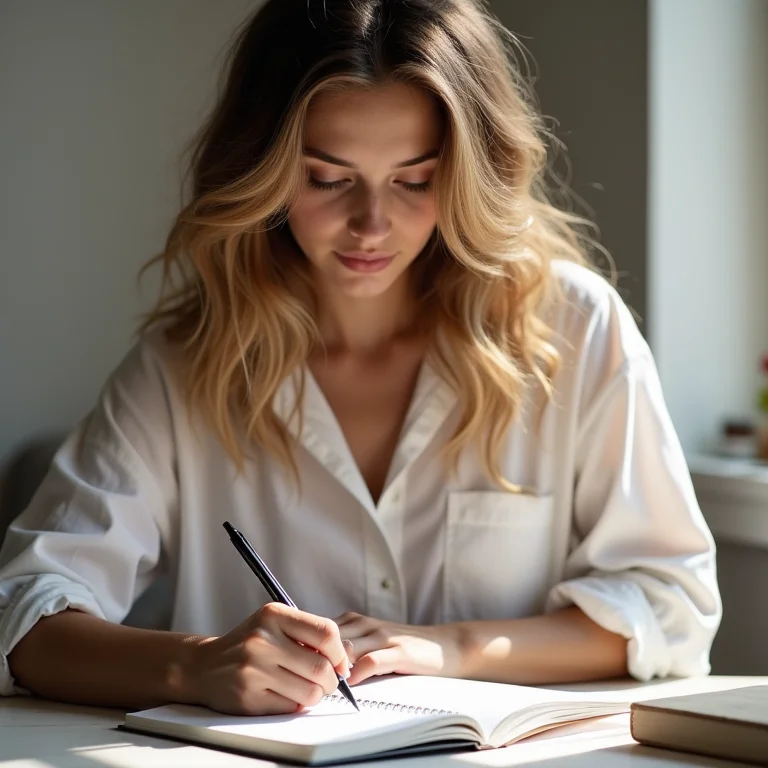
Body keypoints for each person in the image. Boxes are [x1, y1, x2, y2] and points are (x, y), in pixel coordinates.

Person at [0, 0, 720, 716]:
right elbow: (26, 612)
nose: (372, 225)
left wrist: (455, 648)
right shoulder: (185, 368)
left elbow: (670, 603)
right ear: (267, 171)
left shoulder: (573, 330)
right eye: (327, 178)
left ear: (467, 172)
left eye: (414, 179)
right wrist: (195, 664)